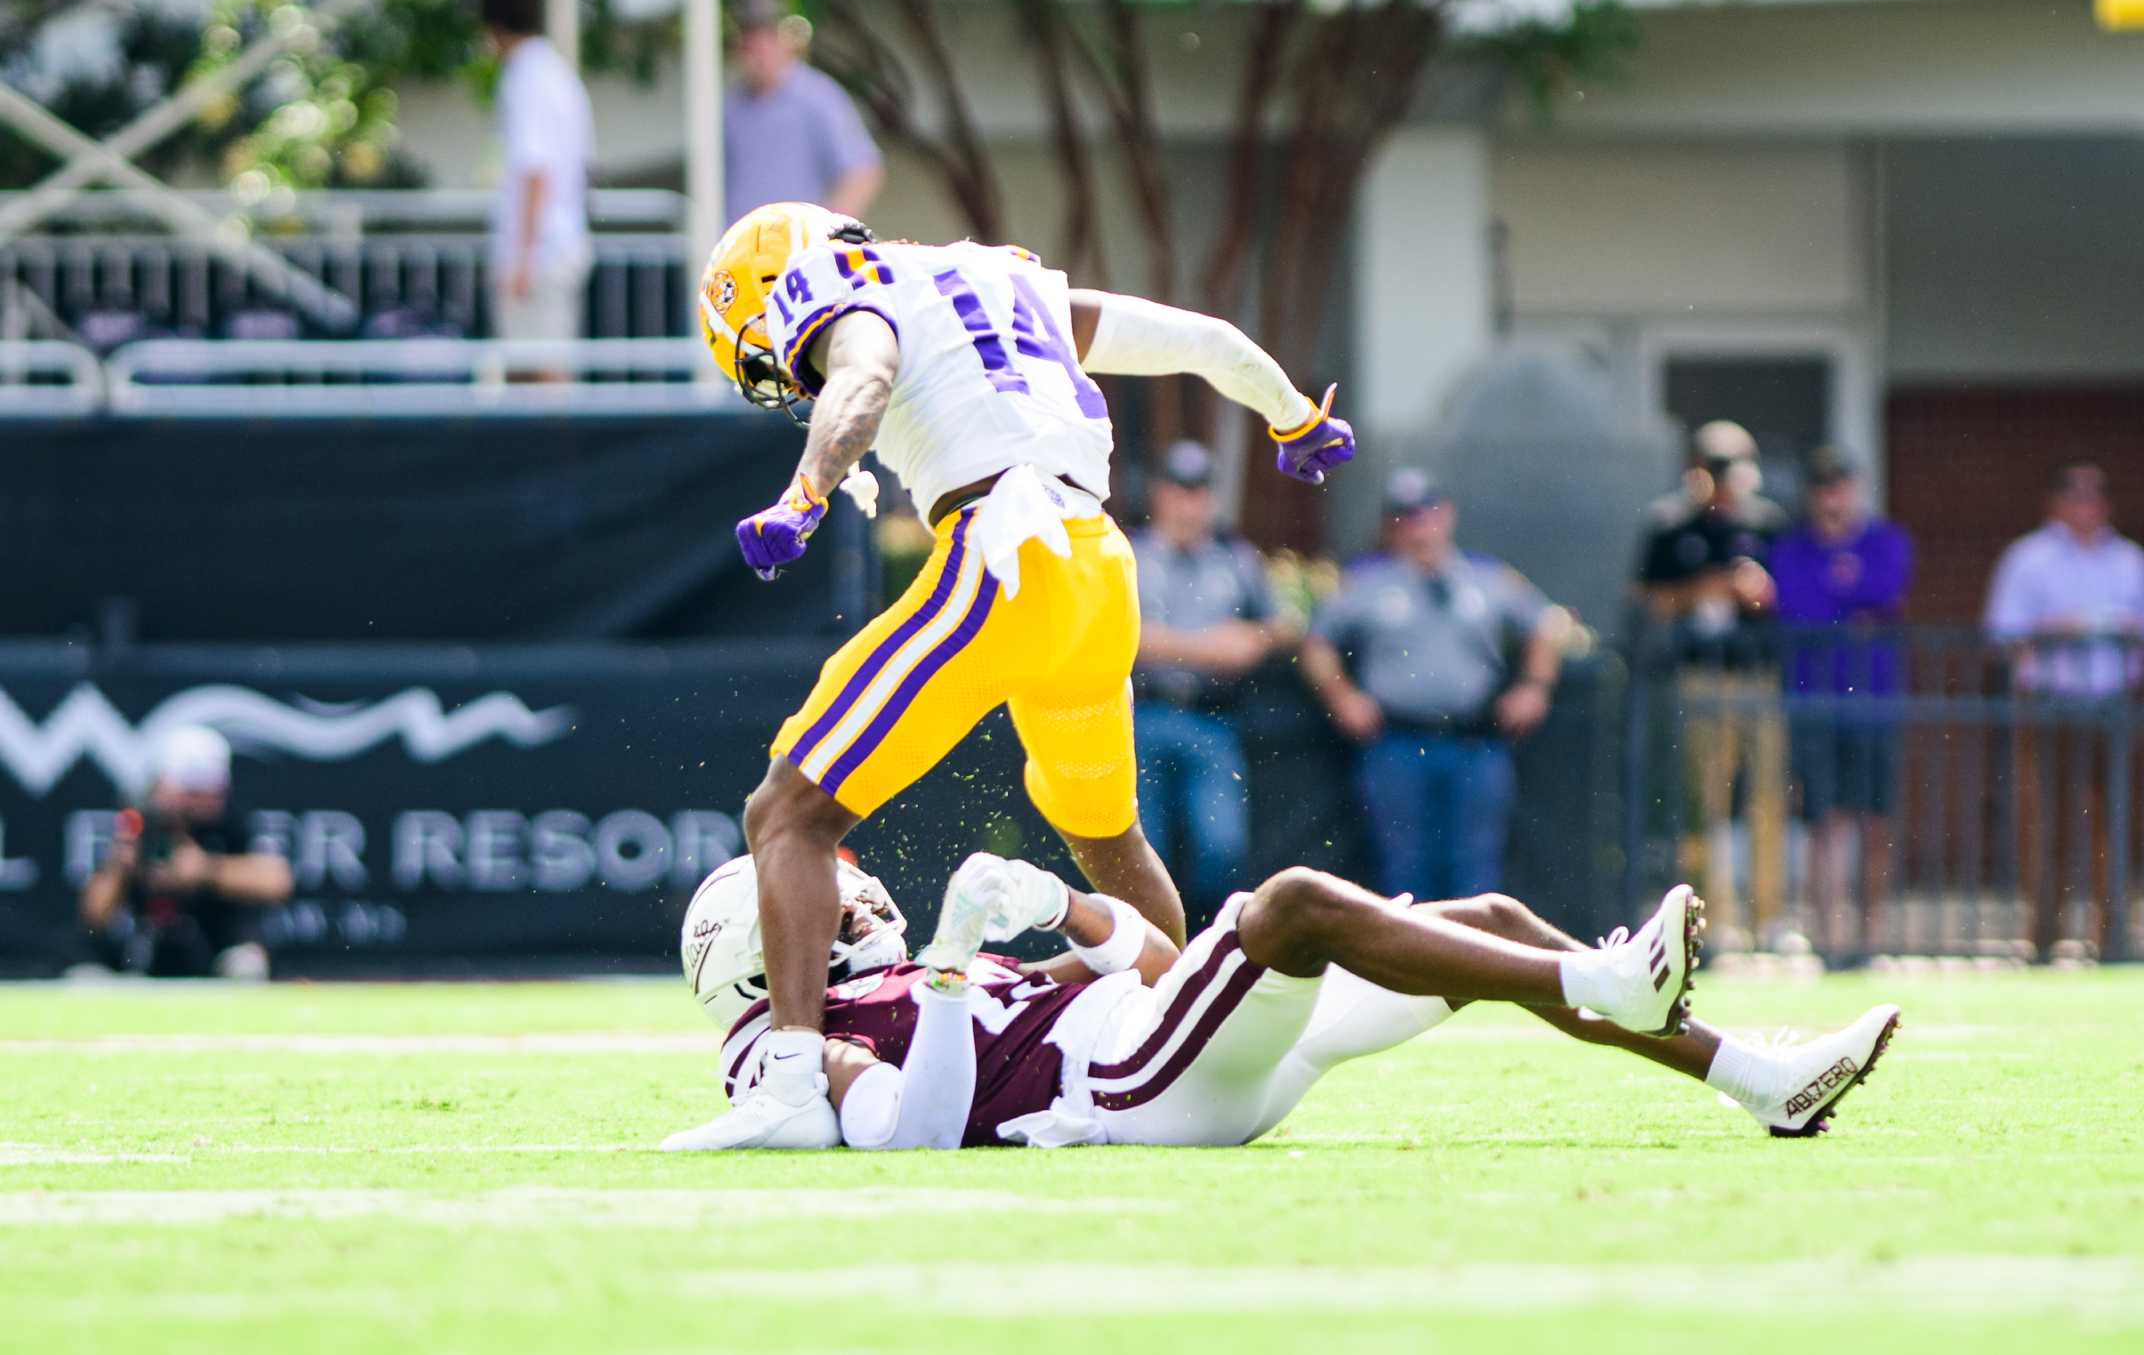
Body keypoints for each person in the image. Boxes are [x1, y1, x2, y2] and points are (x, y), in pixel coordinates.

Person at [693, 200, 1356, 1149]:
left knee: (786, 812)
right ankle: (1177, 1036)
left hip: (1004, 550)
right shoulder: (1004, 278)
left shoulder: (840, 284)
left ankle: (792, 1079)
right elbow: (1203, 339)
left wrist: (805, 493)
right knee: (1109, 841)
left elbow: (865, 377)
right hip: (1098, 566)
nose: (787, 371)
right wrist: (1292, 415)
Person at [660, 850, 1901, 1152]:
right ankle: (1608, 986)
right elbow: (910, 1134)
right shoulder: (796, 1043)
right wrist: (942, 958)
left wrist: (1060, 908)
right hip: (1129, 1088)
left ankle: (1760, 1081)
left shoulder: (905, 976)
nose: (858, 901)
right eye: (833, 908)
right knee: (1289, 903)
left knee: (1477, 926)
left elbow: (1146, 962)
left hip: (1159, 1045)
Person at [1299, 469, 1566, 901]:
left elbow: (1545, 626)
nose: (1418, 527)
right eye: (1405, 518)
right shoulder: (1368, 582)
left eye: (1425, 514)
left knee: (1477, 868)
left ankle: (1474, 966)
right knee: (1403, 869)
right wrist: (1341, 696)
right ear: (1391, 527)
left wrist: (1534, 686)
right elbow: (1316, 642)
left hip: (1474, 741)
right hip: (1397, 741)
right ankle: (1407, 966)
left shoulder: (1487, 578)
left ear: (1447, 515)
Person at [1984, 462, 2144, 958]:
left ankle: (2115, 934)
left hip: (2114, 703)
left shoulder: (2130, 560)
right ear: (2055, 502)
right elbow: (2001, 632)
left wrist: (2128, 631)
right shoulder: (2028, 558)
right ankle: (2044, 935)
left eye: (2096, 494)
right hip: (2050, 703)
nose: (2087, 505)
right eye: (2076, 494)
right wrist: (2055, 628)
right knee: (2047, 817)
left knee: (2120, 818)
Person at [1635, 421, 1789, 949]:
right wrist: (1702, 589)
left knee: (1769, 796)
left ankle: (1769, 917)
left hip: (1755, 673)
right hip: (1700, 675)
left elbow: (1789, 597)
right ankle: (1712, 919)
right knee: (1705, 800)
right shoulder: (1671, 526)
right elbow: (1648, 599)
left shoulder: (1766, 524)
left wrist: (1760, 594)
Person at [1129, 440, 1290, 917]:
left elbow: (1281, 627)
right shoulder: (1131, 555)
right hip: (1142, 715)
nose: (1189, 502)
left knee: (1221, 847)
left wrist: (1251, 640)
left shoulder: (1235, 560)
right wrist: (1207, 647)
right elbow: (1119, 636)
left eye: (1198, 491)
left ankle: (1201, 944)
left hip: (1211, 719)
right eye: (1180, 490)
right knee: (1142, 850)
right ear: (1161, 494)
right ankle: (1145, 958)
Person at [1766, 446, 1913, 960]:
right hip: (1812, 702)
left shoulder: (1885, 541)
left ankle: (1871, 940)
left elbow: (1886, 588)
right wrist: (1845, 594)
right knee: (1823, 822)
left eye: (1841, 485)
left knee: (1875, 823)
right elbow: (1797, 604)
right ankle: (1830, 940)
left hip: (1873, 702)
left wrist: (1847, 594)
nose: (1832, 497)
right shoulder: (1790, 548)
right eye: (1823, 486)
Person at [76, 726, 293, 978]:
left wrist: (206, 870)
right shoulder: (137, 823)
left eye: (210, 794)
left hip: (216, 952)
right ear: (161, 785)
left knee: (246, 966)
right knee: (85, 979)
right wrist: (121, 867)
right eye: (190, 793)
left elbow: (278, 880)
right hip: (132, 957)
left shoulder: (228, 825)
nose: (201, 803)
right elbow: (93, 916)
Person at [483, 0, 594, 381]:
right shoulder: (554, 71)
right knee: (542, 366)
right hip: (556, 245)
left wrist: (522, 258)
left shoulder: (526, 77)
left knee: (537, 374)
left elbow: (536, 169)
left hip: (540, 250)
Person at [723, 0, 884, 224]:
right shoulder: (732, 107)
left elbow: (863, 171)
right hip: (743, 249)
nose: (758, 52)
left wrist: (825, 230)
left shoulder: (817, 96)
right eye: (749, 42)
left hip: (797, 249)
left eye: (767, 39)